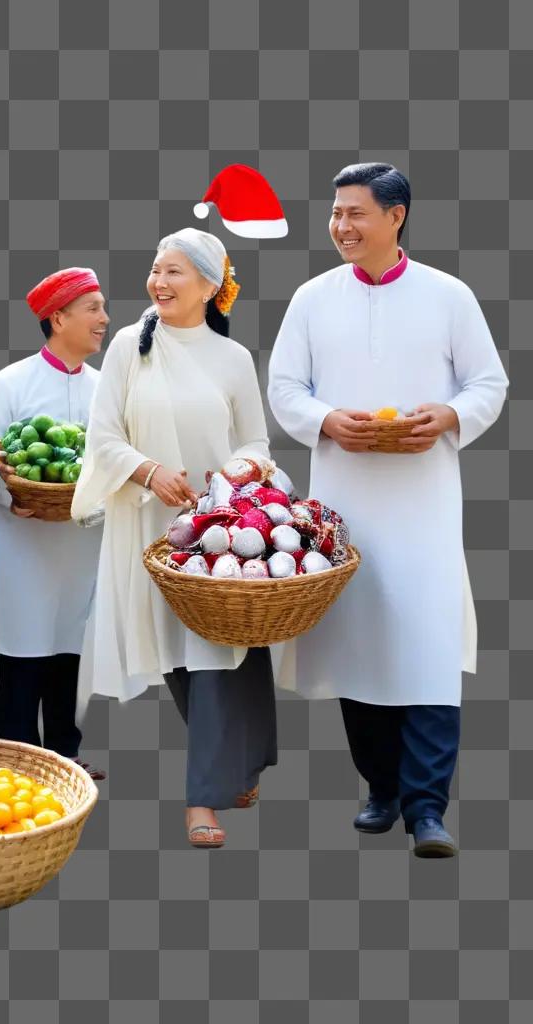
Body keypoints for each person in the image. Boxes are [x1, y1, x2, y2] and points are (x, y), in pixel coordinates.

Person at [268, 163, 508, 858]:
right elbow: (285, 388)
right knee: (359, 644)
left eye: (356, 213)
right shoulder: (312, 299)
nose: (341, 226)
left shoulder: (449, 295)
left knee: (428, 648)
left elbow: (489, 382)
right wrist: (326, 422)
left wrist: (450, 414)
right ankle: (381, 788)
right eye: (336, 213)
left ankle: (428, 809)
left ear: (396, 217)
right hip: (343, 500)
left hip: (426, 502)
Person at [72, 228, 276, 848]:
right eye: (156, 270)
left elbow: (257, 443)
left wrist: (241, 470)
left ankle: (203, 800)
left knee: (218, 653)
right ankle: (238, 761)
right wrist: (149, 471)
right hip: (148, 524)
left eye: (175, 273)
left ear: (211, 286)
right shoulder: (128, 351)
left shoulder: (233, 360)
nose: (158, 283)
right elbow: (101, 438)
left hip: (220, 529)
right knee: (181, 661)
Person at [0, 268, 107, 779]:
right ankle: (17, 760)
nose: (103, 319)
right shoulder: (9, 383)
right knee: (23, 647)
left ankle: (64, 753)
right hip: (24, 542)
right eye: (92, 308)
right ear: (59, 317)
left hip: (85, 540)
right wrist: (14, 501)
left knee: (72, 645)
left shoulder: (107, 388)